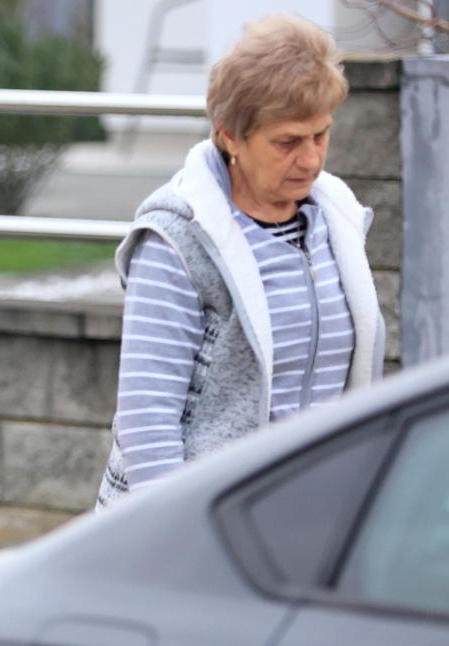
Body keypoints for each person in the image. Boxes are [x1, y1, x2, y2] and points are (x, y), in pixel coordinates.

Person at [97, 14, 385, 507]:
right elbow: (148, 421)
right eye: (288, 142)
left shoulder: (334, 221)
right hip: (205, 526)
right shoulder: (178, 241)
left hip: (311, 518)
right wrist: (180, 539)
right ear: (230, 135)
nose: (312, 159)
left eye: (321, 135)